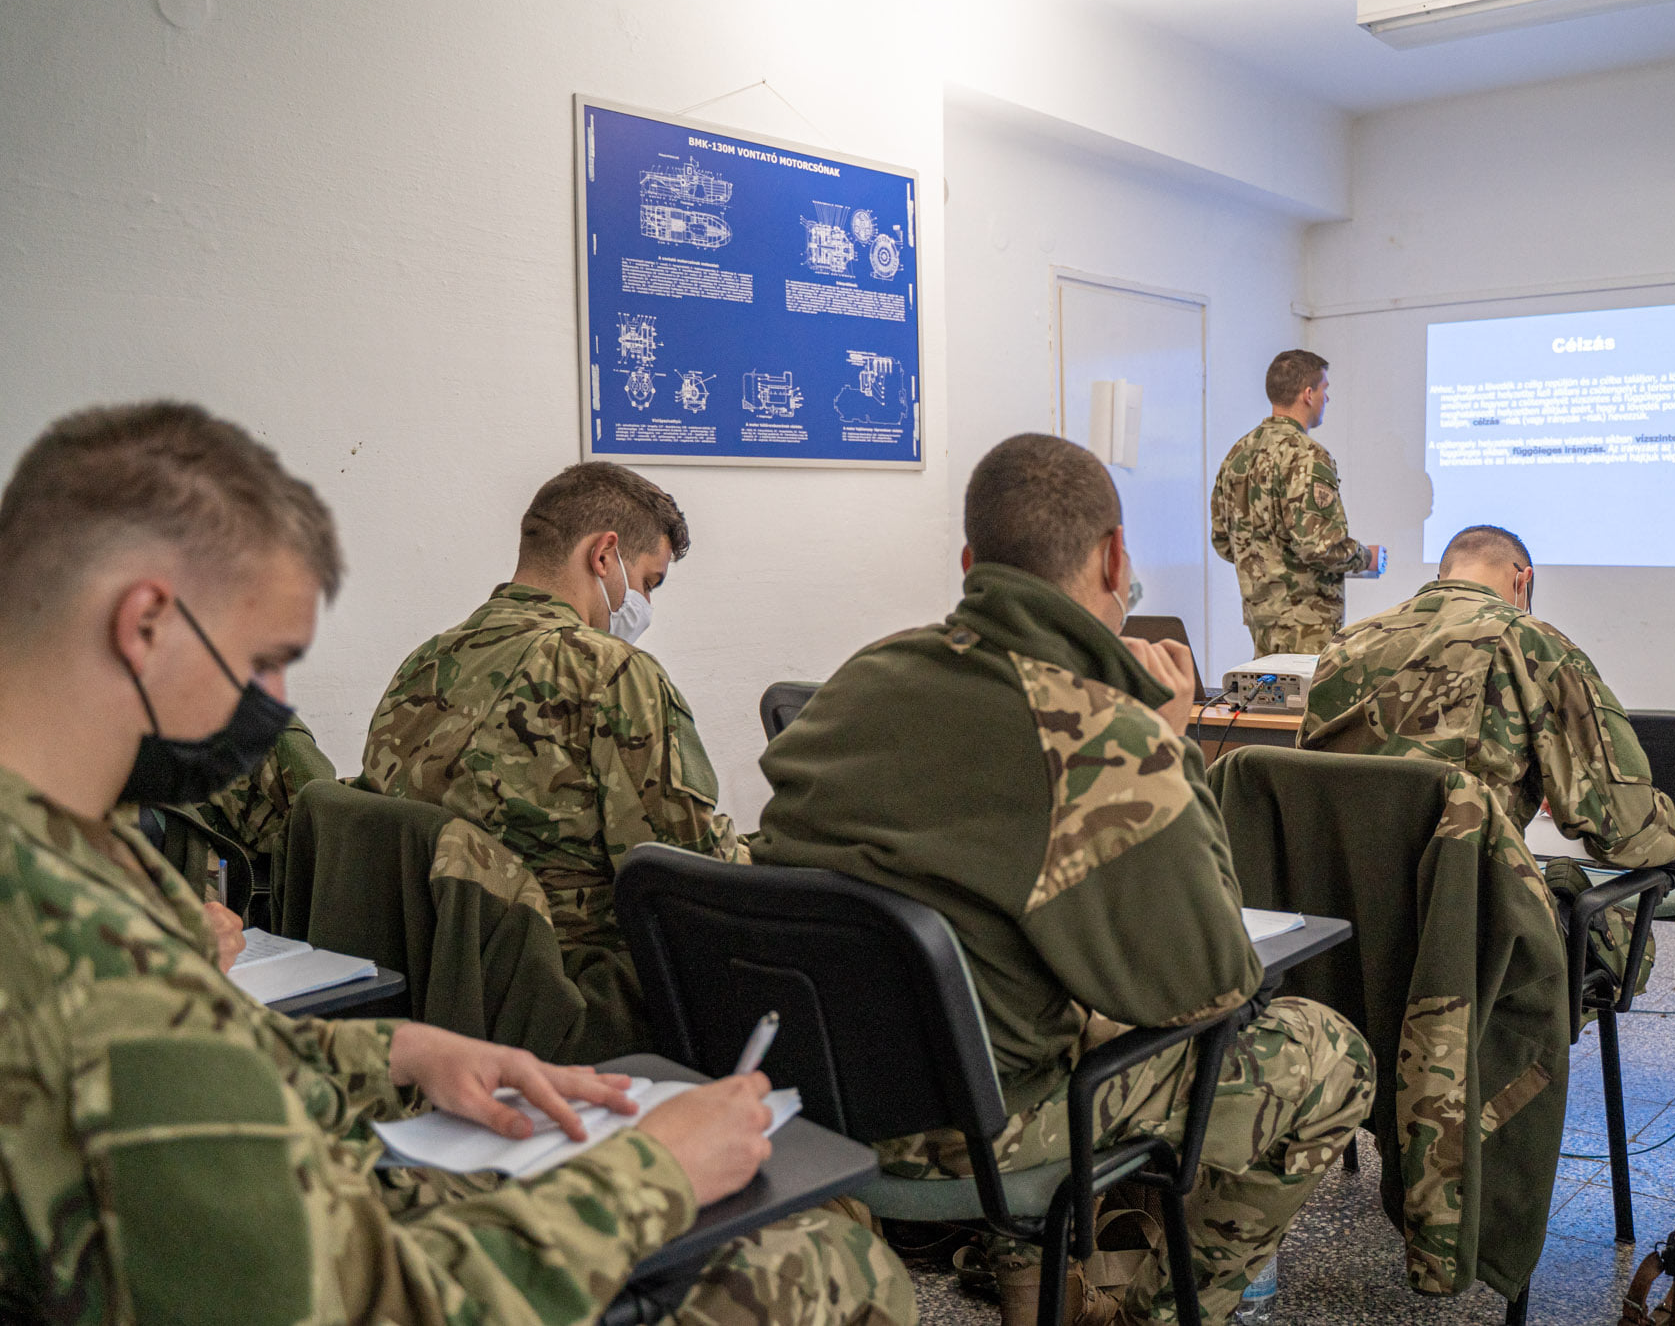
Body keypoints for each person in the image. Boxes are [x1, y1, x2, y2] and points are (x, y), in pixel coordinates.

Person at [0, 402, 912, 1326]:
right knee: (839, 1247)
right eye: (262, 656)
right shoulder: (83, 948)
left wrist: (403, 1052)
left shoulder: (411, 669)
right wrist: (654, 1169)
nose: (273, 703)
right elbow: (688, 871)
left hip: (434, 1046)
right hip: (558, 1020)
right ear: (145, 623)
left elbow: (213, 1062)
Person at [753, 432, 1373, 1326]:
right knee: (1328, 1058)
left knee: (1036, 986)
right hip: (981, 1125)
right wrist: (1167, 744)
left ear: (969, 564)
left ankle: (1038, 1284)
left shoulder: (859, 680)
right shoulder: (1098, 735)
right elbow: (1212, 984)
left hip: (811, 1097)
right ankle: (1152, 1314)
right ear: (1116, 558)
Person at [360, 461, 741, 988]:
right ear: (603, 556)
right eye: (648, 583)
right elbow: (688, 875)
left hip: (443, 984)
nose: (646, 604)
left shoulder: (425, 661)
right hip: (578, 986)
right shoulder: (610, 672)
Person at [1299, 523, 1675, 867]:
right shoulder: (1529, 640)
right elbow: (1629, 833)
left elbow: (1309, 779)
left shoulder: (1348, 641)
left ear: (1442, 577)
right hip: (1462, 897)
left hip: (1337, 895)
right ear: (1523, 581)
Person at [1210, 349, 1378, 657]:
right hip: (1307, 624)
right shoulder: (1308, 456)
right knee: (1307, 691)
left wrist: (1266, 565)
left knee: (1267, 691)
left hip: (1260, 619)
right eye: (1325, 389)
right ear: (1308, 394)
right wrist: (1366, 557)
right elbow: (1319, 546)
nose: (1327, 398)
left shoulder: (1237, 454)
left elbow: (1223, 541)